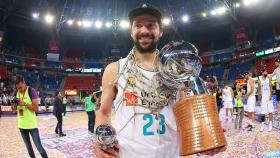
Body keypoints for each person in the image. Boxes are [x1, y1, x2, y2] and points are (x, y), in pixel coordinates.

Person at [93, 4, 225, 158]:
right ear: (131, 31)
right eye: (138, 25)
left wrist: (209, 133)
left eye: (151, 25)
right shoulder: (114, 69)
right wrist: (100, 142)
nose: (144, 31)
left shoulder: (177, 68)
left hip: (171, 153)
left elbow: (185, 112)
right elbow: (103, 112)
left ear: (160, 31)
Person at [14, 76, 48, 158]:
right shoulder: (17, 93)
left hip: (32, 125)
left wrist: (25, 104)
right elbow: (16, 109)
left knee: (39, 147)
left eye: (21, 87)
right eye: (18, 88)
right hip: (21, 126)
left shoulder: (31, 91)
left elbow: (36, 109)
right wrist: (14, 106)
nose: (19, 89)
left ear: (24, 83)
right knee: (29, 149)